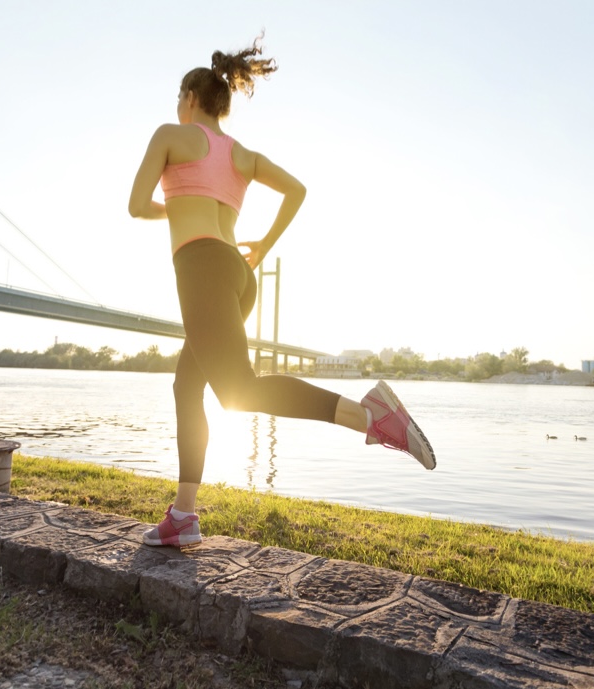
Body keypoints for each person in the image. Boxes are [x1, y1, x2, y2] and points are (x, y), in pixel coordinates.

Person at [128, 37, 435, 547]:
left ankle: (372, 416)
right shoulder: (242, 154)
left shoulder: (171, 135)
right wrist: (264, 245)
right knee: (188, 388)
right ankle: (183, 517)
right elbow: (297, 189)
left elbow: (138, 205)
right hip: (237, 275)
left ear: (188, 97)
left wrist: (176, 206)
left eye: (178, 99)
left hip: (201, 267)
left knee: (237, 392)